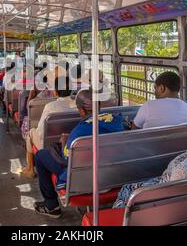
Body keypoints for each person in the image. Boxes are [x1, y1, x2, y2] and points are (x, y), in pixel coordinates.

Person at [33, 89, 126, 218]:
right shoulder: (116, 120)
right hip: (113, 175)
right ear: (98, 106)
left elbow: (66, 159)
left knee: (40, 156)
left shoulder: (78, 132)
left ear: (81, 109)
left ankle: (51, 205)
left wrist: (65, 142)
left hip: (86, 178)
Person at [20, 77, 76, 179]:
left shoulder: (51, 106)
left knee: (31, 132)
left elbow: (41, 131)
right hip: (69, 142)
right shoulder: (77, 104)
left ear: (56, 91)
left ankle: (30, 169)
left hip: (50, 145)